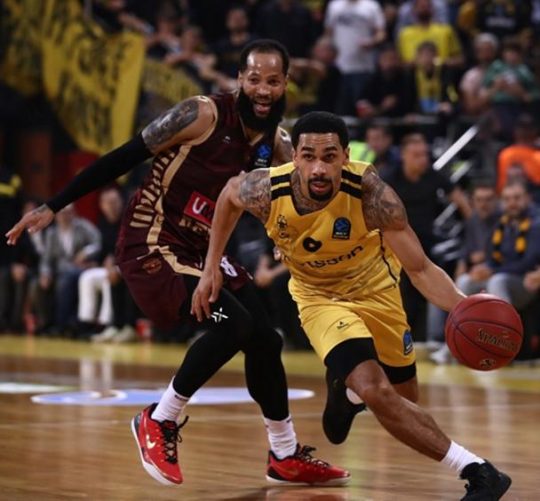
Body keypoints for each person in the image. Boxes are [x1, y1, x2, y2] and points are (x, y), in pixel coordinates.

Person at [5, 40, 348, 486]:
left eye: (273, 81)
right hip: (152, 241)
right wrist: (54, 204)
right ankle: (159, 418)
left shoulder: (280, 145)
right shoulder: (201, 114)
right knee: (234, 325)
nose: (263, 90)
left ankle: (284, 454)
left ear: (286, 84)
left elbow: (302, 205)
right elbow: (125, 155)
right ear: (239, 79)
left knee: (265, 339)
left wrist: (294, 240)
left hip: (204, 251)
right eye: (254, 79)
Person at [192, 111, 512, 500]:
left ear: (345, 156)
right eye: (308, 156)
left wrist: (465, 308)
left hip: (378, 292)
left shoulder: (374, 196)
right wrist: (211, 266)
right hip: (319, 298)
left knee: (403, 400)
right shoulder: (266, 190)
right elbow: (228, 196)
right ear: (296, 158)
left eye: (329, 156)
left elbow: (420, 269)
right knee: (376, 390)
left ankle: (347, 395)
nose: (319, 168)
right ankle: (478, 471)